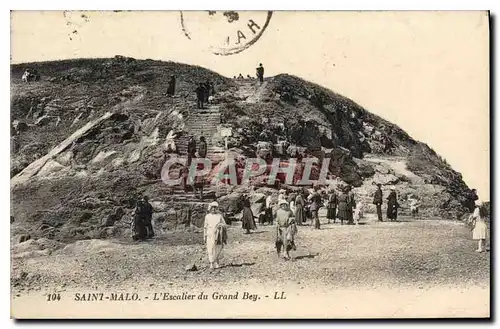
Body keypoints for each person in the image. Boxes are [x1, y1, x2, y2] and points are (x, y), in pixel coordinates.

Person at [204, 201, 227, 269]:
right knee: (210, 248)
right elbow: (205, 227)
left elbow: (225, 224)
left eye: (214, 208)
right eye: (212, 208)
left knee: (218, 247)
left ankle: (216, 261)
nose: (213, 209)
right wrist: (204, 236)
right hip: (210, 234)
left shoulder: (219, 216)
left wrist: (221, 225)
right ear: (210, 209)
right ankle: (211, 263)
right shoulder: (207, 216)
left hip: (218, 234)